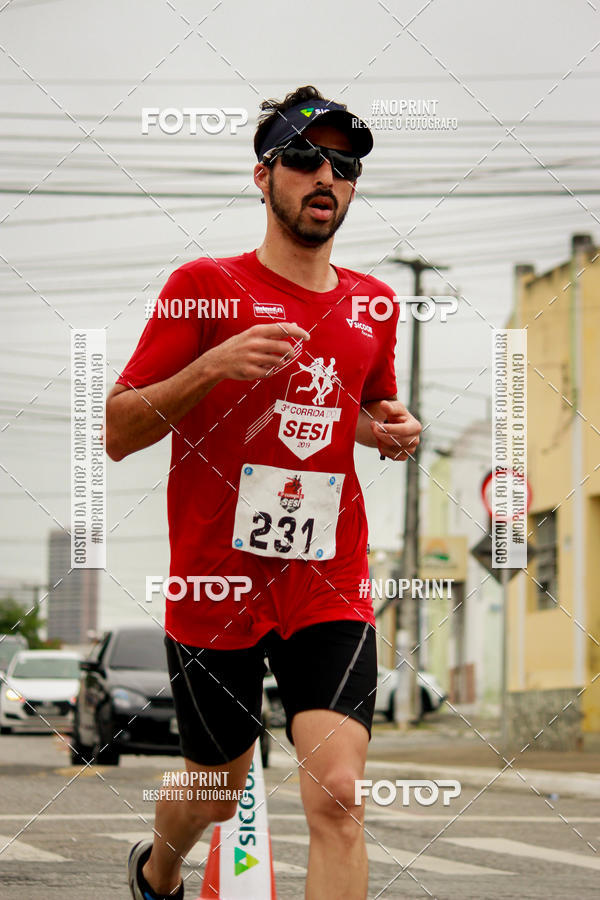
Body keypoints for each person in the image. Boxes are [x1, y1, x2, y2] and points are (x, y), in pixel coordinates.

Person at [106, 84, 421, 900]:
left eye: (344, 166)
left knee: (341, 798)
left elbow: (357, 402)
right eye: (307, 158)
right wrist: (211, 364)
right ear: (263, 175)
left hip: (328, 578)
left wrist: (385, 425)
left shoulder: (374, 304)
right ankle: (159, 866)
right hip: (218, 580)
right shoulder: (203, 286)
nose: (328, 176)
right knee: (218, 785)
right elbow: (117, 431)